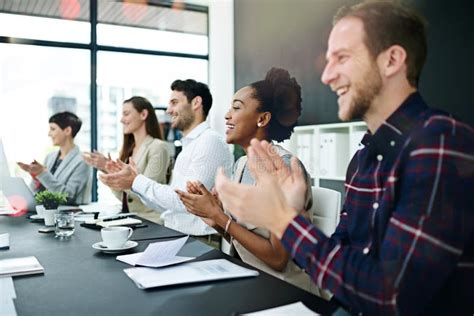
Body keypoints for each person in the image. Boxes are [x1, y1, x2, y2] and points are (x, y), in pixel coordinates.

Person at [214, 2, 474, 315]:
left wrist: (283, 220)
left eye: (342, 58)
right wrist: (290, 214)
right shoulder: (363, 158)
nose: (326, 76)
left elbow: (392, 298)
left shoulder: (440, 142)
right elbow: (343, 256)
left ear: (392, 60)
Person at [176, 68, 316, 292]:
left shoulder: (285, 168)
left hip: (284, 290)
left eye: (237, 107)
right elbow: (241, 237)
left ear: (262, 118)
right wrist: (212, 213)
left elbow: (278, 258)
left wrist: (220, 217)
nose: (227, 115)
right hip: (248, 279)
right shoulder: (241, 165)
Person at [99, 79, 232, 242]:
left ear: (196, 102)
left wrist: (136, 181)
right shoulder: (191, 145)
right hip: (181, 237)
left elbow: (183, 200)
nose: (168, 110)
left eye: (174, 103)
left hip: (200, 240)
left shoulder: (209, 141)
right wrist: (134, 184)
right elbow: (167, 204)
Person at [83, 96, 170, 223]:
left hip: (150, 221)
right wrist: (109, 172)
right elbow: (124, 198)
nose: (121, 120)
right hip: (129, 218)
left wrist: (117, 176)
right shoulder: (129, 150)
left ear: (143, 114)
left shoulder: (158, 147)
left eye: (126, 114)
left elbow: (149, 193)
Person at [18, 111, 91, 205]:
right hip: (47, 213)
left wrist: (42, 173)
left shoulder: (83, 161)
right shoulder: (50, 157)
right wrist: (36, 177)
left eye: (53, 129)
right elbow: (38, 194)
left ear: (67, 131)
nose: (49, 134)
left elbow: (68, 197)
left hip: (70, 216)